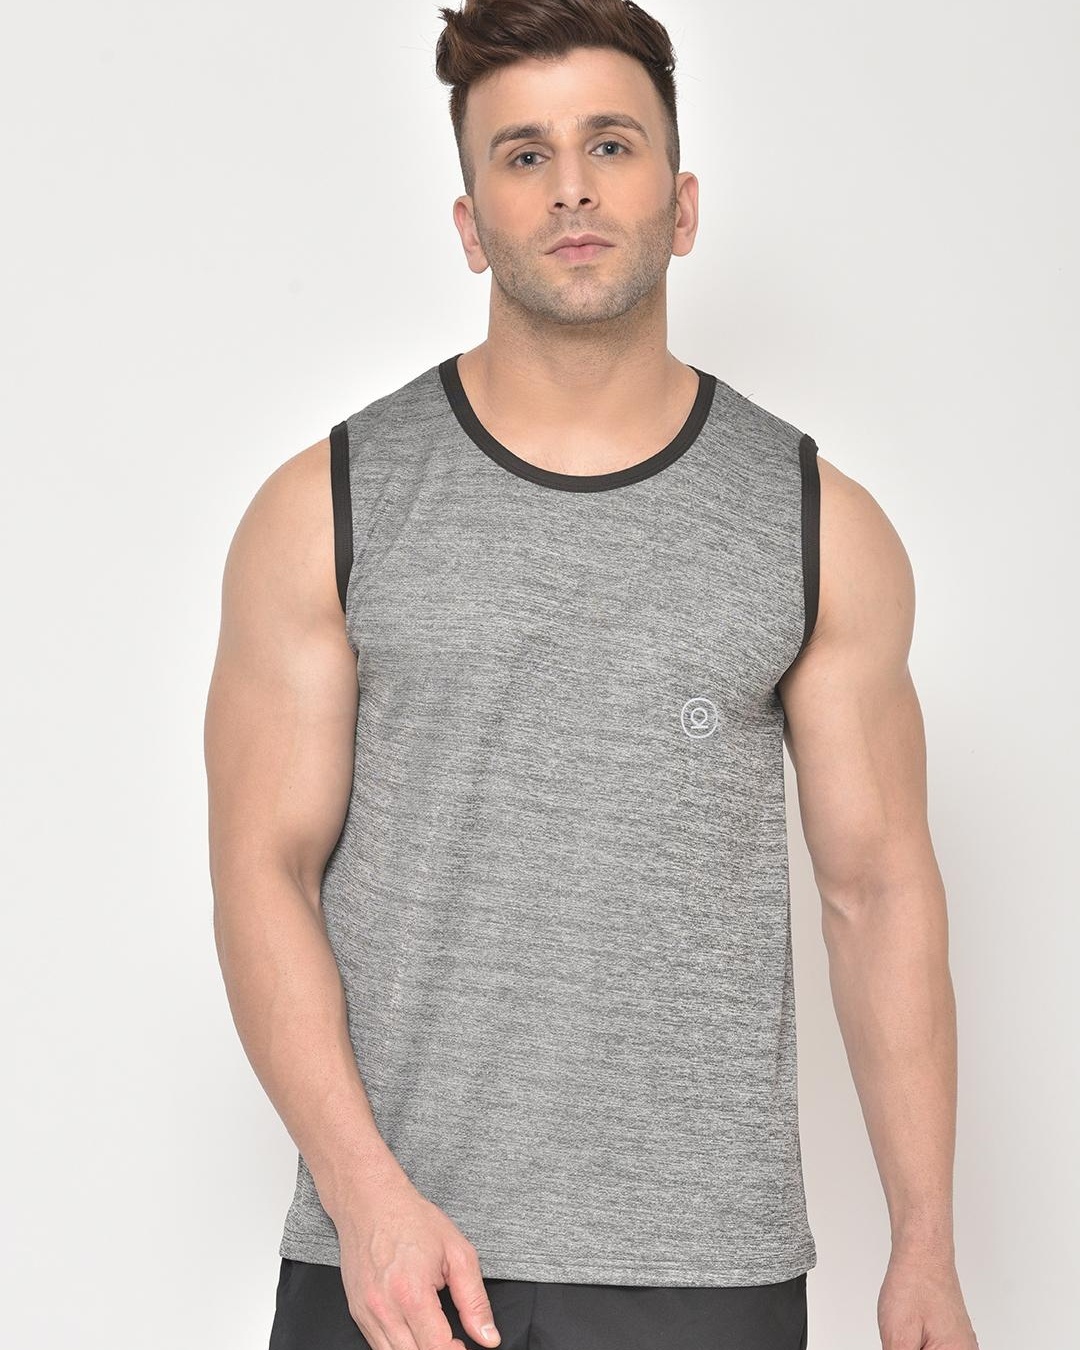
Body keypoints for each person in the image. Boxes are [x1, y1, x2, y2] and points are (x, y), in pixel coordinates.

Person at [203, 2, 980, 1348]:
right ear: (469, 225)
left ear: (682, 205)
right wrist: (366, 1196)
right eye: (524, 154)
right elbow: (260, 872)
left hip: (705, 1272)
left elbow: (879, 892)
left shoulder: (816, 523)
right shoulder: (326, 508)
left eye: (610, 145)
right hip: (394, 1261)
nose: (571, 186)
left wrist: (925, 1247)